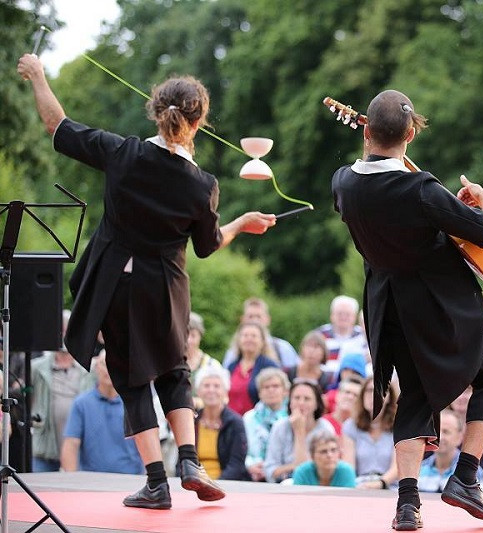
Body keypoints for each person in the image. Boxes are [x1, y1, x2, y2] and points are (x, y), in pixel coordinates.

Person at [18, 53, 276, 509]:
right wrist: (239, 225)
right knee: (175, 371)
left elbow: (56, 125)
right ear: (199, 122)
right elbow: (207, 245)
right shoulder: (203, 184)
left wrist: (38, 74)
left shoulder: (123, 153)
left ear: (157, 111)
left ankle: (157, 482)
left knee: (132, 378)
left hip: (116, 283)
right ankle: (191, 461)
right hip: (167, 286)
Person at [331, 89, 483, 529]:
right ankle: (466, 477)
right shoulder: (422, 188)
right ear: (411, 133)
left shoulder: (343, 183)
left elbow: (378, 182)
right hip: (444, 301)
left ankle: (408, 504)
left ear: (367, 130)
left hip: (389, 304)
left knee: (416, 391)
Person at [30, 310, 93, 472]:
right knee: (42, 491)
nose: (64, 335)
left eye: (68, 330)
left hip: (79, 448)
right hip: (46, 446)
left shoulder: (88, 369)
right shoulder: (37, 368)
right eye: (61, 330)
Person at [61, 351, 143, 474]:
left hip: (130, 479)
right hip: (93, 481)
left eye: (115, 365)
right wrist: (72, 483)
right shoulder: (81, 404)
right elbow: (71, 444)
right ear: (96, 368)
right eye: (105, 364)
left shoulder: (134, 403)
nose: (109, 370)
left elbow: (147, 440)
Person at [264, 379, 333, 482]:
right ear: (290, 402)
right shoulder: (280, 427)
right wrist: (294, 466)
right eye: (296, 398)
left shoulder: (325, 428)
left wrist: (299, 432)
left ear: (316, 404)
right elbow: (270, 471)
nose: (301, 403)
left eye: (307, 399)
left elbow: (309, 475)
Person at [341, 376, 399, 489]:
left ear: (388, 397)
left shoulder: (398, 426)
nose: (372, 396)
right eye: (368, 391)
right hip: (360, 485)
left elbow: (397, 467)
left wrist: (380, 483)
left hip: (390, 487)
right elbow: (349, 466)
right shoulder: (350, 426)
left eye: (378, 391)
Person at [193, 366, 249, 481]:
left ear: (225, 391)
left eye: (217, 386)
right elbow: (182, 462)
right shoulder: (192, 421)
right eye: (206, 385)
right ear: (198, 391)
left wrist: (216, 485)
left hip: (225, 484)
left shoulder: (235, 422)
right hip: (194, 484)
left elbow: (236, 465)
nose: (211, 390)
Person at [222, 298, 298, 369]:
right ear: (243, 319)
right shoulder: (232, 353)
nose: (255, 320)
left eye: (258, 317)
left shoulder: (283, 348)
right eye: (250, 316)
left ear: (268, 319)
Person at [418, 409, 483, 493]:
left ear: (460, 437)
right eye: (436, 431)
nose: (440, 437)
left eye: (446, 432)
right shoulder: (419, 470)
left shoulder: (471, 472)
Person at [243, 367, 290, 481]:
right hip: (254, 474)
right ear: (259, 393)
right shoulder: (249, 418)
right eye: (266, 387)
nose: (271, 390)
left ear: (285, 391)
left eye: (275, 386)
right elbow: (242, 450)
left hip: (285, 475)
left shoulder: (291, 416)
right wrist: (250, 465)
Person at [226, 322, 279, 416]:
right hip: (233, 423)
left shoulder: (270, 367)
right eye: (245, 335)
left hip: (258, 423)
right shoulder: (232, 366)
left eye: (254, 336)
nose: (249, 339)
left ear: (262, 341)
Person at [292, 429, 357, 488]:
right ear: (312, 456)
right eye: (323, 451)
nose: (329, 455)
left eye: (333, 450)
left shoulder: (346, 471)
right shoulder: (302, 473)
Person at [185, 311, 222, 408]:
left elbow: (223, 397)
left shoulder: (211, 364)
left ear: (200, 337)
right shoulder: (173, 363)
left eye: (193, 335)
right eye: (185, 335)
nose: (189, 340)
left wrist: (198, 402)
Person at [316, 295, 365, 366]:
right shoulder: (319, 335)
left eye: (348, 314)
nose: (343, 317)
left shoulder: (363, 335)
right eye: (339, 314)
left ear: (355, 317)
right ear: (332, 315)